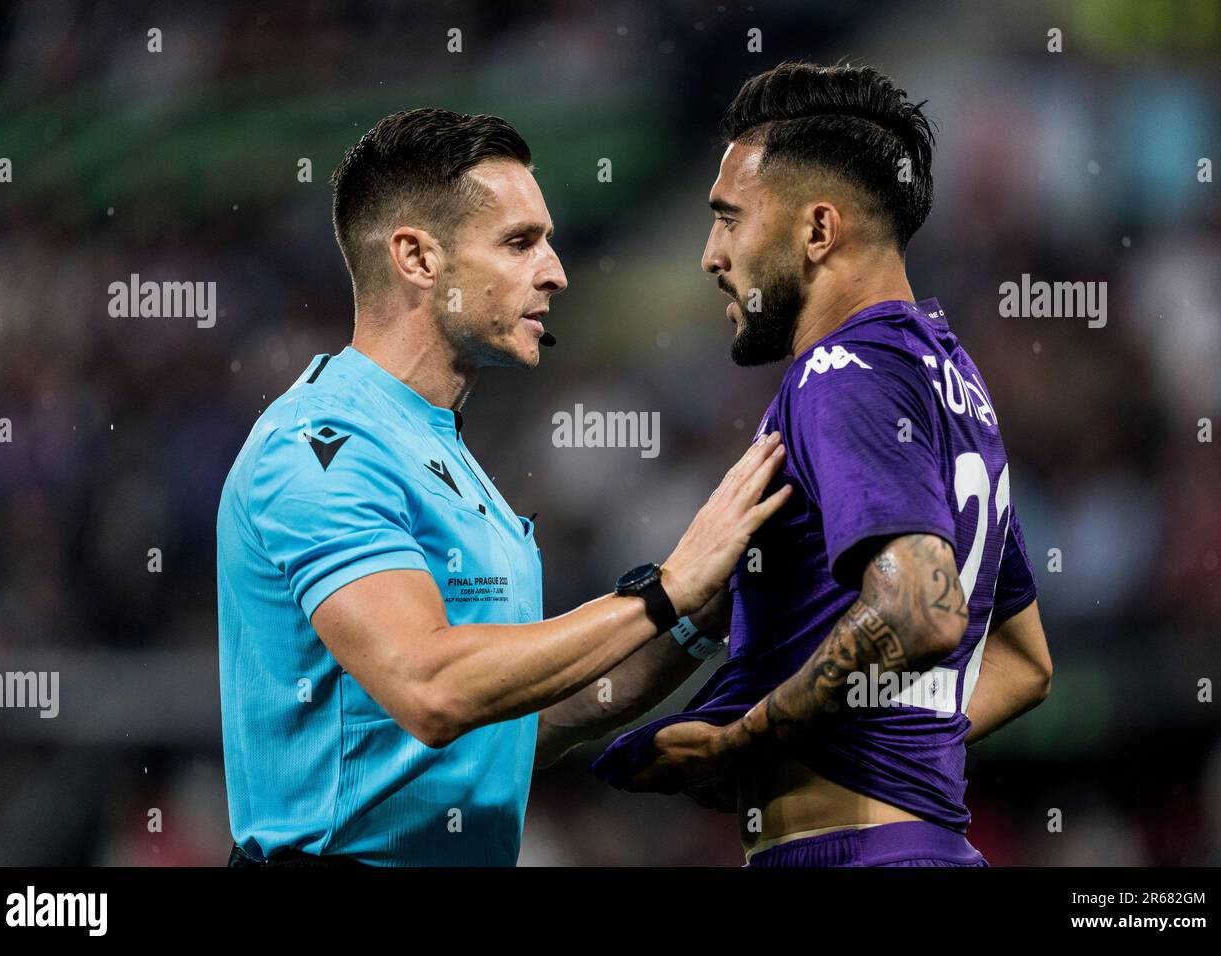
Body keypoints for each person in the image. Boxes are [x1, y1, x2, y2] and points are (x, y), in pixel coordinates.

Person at [216, 107, 792, 866]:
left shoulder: (439, 448)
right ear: (418, 260)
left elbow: (529, 718)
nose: (555, 270)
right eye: (520, 242)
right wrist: (664, 591)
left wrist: (697, 618)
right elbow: (434, 689)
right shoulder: (321, 450)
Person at [588, 62, 1054, 868]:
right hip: (922, 845)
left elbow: (920, 608)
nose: (710, 255)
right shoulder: (951, 382)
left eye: (729, 219)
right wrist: (866, 741)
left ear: (817, 231)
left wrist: (747, 737)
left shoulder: (836, 378)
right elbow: (1023, 662)